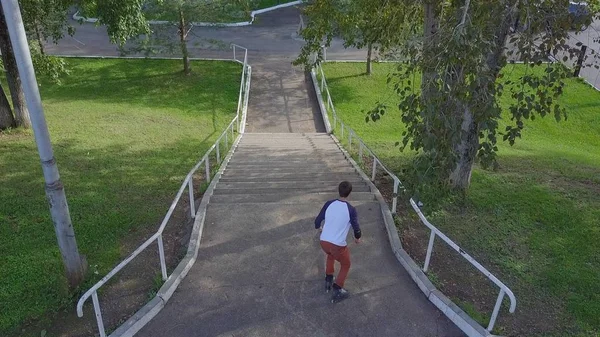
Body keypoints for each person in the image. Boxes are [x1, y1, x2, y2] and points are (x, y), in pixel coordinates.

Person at [314, 181, 362, 303]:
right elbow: (356, 228)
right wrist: (357, 238)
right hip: (337, 245)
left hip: (324, 242)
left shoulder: (329, 204)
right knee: (346, 264)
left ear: (338, 190)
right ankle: (338, 289)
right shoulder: (351, 210)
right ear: (349, 193)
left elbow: (317, 221)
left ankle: (329, 278)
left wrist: (319, 228)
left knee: (331, 255)